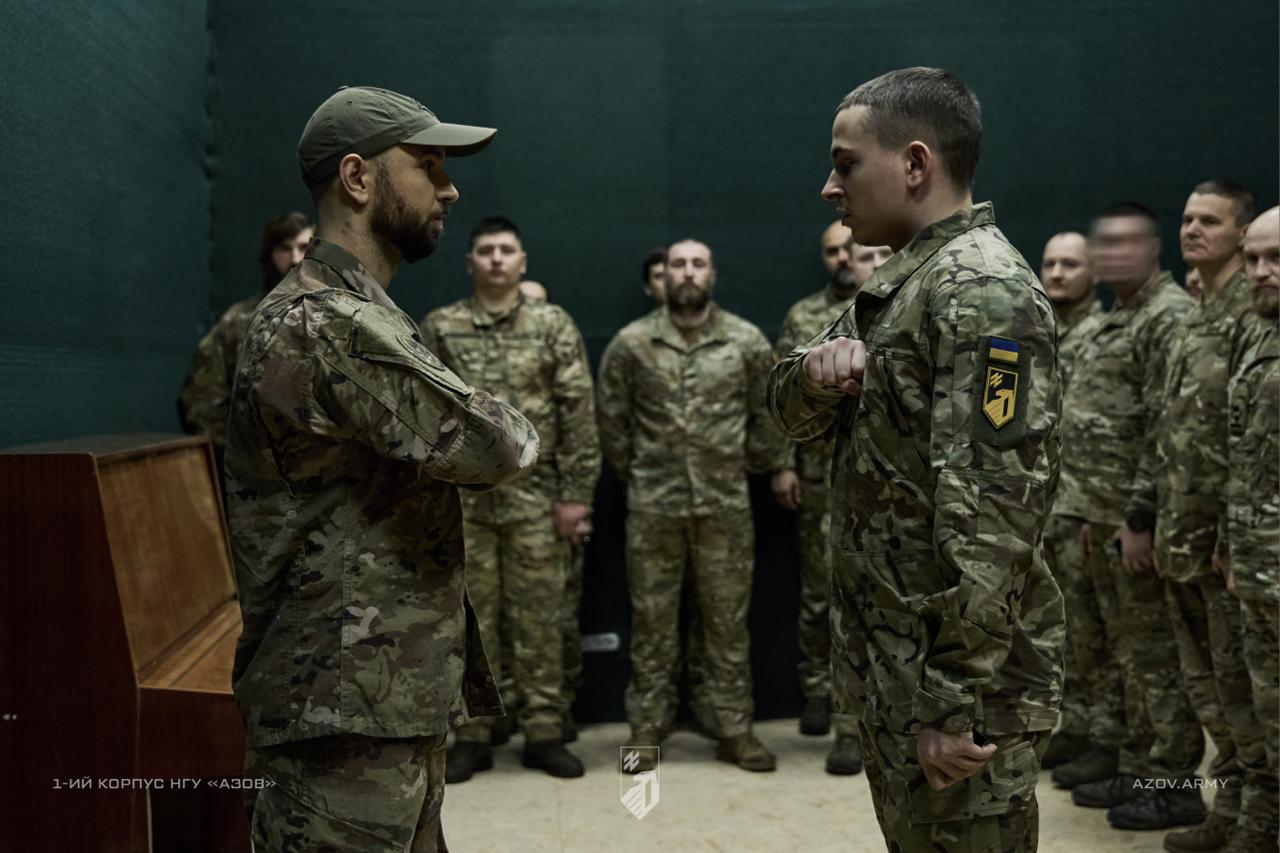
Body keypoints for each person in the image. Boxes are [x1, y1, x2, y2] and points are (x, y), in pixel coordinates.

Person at [227, 86, 538, 852]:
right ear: (359, 178)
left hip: (375, 698)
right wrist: (503, 414)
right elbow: (499, 445)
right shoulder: (327, 322)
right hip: (339, 713)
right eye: (429, 165)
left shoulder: (358, 311)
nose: (449, 189)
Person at [769, 67, 1064, 851]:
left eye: (845, 163)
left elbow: (994, 511)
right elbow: (785, 408)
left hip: (956, 681)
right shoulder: (908, 281)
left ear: (914, 164)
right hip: (901, 663)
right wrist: (812, 375)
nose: (829, 187)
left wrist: (952, 697)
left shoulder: (985, 291)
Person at [421, 216, 599, 781]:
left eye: (506, 250)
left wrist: (576, 497)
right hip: (463, 503)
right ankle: (474, 734)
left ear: (522, 262)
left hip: (536, 500)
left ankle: (544, 730)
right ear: (469, 263)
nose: (496, 259)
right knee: (470, 619)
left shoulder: (552, 325)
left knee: (540, 618)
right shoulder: (442, 326)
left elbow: (577, 414)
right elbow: (422, 412)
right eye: (485, 250)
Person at [598, 238, 785, 772]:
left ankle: (734, 728)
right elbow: (612, 420)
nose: (686, 272)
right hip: (653, 508)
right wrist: (642, 472)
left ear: (712, 274)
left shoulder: (745, 341)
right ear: (663, 275)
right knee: (652, 621)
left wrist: (744, 463)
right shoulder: (632, 344)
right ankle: (646, 729)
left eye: (697, 264)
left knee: (727, 622)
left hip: (725, 506)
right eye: (677, 264)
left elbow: (770, 413)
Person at [1046, 203, 1202, 832]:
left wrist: (1140, 517)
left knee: (1156, 659)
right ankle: (1138, 765)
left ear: (1153, 249)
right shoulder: (1121, 317)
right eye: (1103, 244)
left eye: (1125, 243)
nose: (1112, 254)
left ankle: (1173, 784)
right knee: (1127, 655)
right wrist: (1093, 515)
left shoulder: (1166, 317)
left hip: (1138, 523)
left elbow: (1166, 427)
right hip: (1102, 515)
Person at [1156, 181, 1270, 850]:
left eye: (1210, 221)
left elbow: (1246, 443)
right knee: (1209, 688)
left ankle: (1259, 816)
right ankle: (1230, 804)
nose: (1192, 230)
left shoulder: (1250, 317)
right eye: (1187, 218)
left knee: (1243, 688)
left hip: (1229, 542)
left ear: (1242, 233)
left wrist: (1231, 534)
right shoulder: (1195, 313)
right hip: (1182, 532)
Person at [772, 220, 890, 775]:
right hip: (823, 475)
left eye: (862, 251)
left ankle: (853, 724)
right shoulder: (809, 316)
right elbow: (781, 393)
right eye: (840, 252)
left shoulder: (912, 311)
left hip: (888, 484)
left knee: (867, 603)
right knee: (822, 595)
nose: (850, 260)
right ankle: (821, 691)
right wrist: (783, 464)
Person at [1036, 230, 1110, 770]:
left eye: (1070, 264)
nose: (1058, 273)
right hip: (1044, 502)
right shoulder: (1035, 333)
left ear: (1094, 273)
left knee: (1098, 625)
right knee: (1064, 625)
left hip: (1087, 501)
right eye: (1050, 264)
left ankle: (1107, 734)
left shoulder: (1103, 336)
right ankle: (1076, 721)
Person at [1220, 205, 1280, 853]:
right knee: (1267, 715)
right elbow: (1242, 455)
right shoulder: (1258, 334)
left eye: (1276, 258)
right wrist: (1230, 547)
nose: (1261, 272)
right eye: (1254, 258)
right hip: (1258, 568)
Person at [178, 211, 312, 445]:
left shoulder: (337, 318)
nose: (294, 259)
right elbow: (203, 400)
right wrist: (238, 453)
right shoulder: (238, 320)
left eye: (303, 248)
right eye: (284, 248)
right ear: (269, 255)